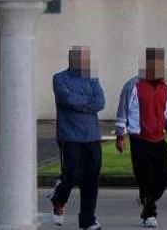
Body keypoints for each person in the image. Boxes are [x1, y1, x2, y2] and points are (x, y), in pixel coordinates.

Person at [114, 48, 167, 228]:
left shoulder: (166, 88)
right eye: (153, 64)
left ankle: (145, 197)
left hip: (159, 139)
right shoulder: (132, 85)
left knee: (164, 174)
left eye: (160, 64)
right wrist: (120, 136)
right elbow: (122, 112)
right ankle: (149, 214)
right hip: (139, 139)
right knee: (145, 177)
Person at [50, 46, 105, 230]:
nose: (85, 63)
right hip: (70, 137)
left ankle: (88, 220)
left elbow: (100, 102)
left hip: (92, 137)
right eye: (81, 59)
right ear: (71, 60)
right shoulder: (59, 79)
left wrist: (80, 102)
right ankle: (59, 199)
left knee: (91, 179)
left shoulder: (93, 79)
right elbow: (66, 99)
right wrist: (87, 103)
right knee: (72, 174)